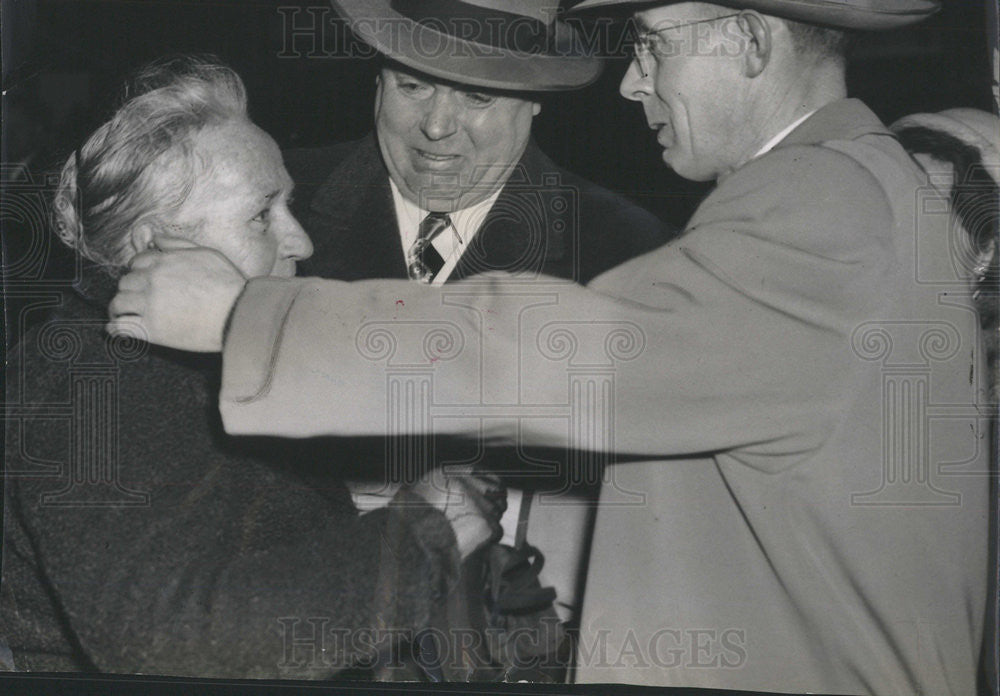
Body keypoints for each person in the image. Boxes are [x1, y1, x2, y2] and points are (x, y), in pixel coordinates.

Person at [107, 1, 993, 693]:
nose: (630, 83)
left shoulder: (818, 211)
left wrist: (244, 321)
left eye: (652, 44)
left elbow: (559, 353)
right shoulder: (856, 194)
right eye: (412, 85)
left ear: (750, 44)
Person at [1, 55, 504, 680]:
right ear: (154, 248)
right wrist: (429, 540)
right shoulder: (97, 386)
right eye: (263, 215)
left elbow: (216, 524)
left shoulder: (153, 357)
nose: (300, 243)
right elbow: (167, 642)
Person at [281, 0, 672, 673]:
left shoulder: (628, 256)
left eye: (477, 95)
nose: (435, 126)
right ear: (376, 77)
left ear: (537, 99)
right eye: (412, 85)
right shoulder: (272, 208)